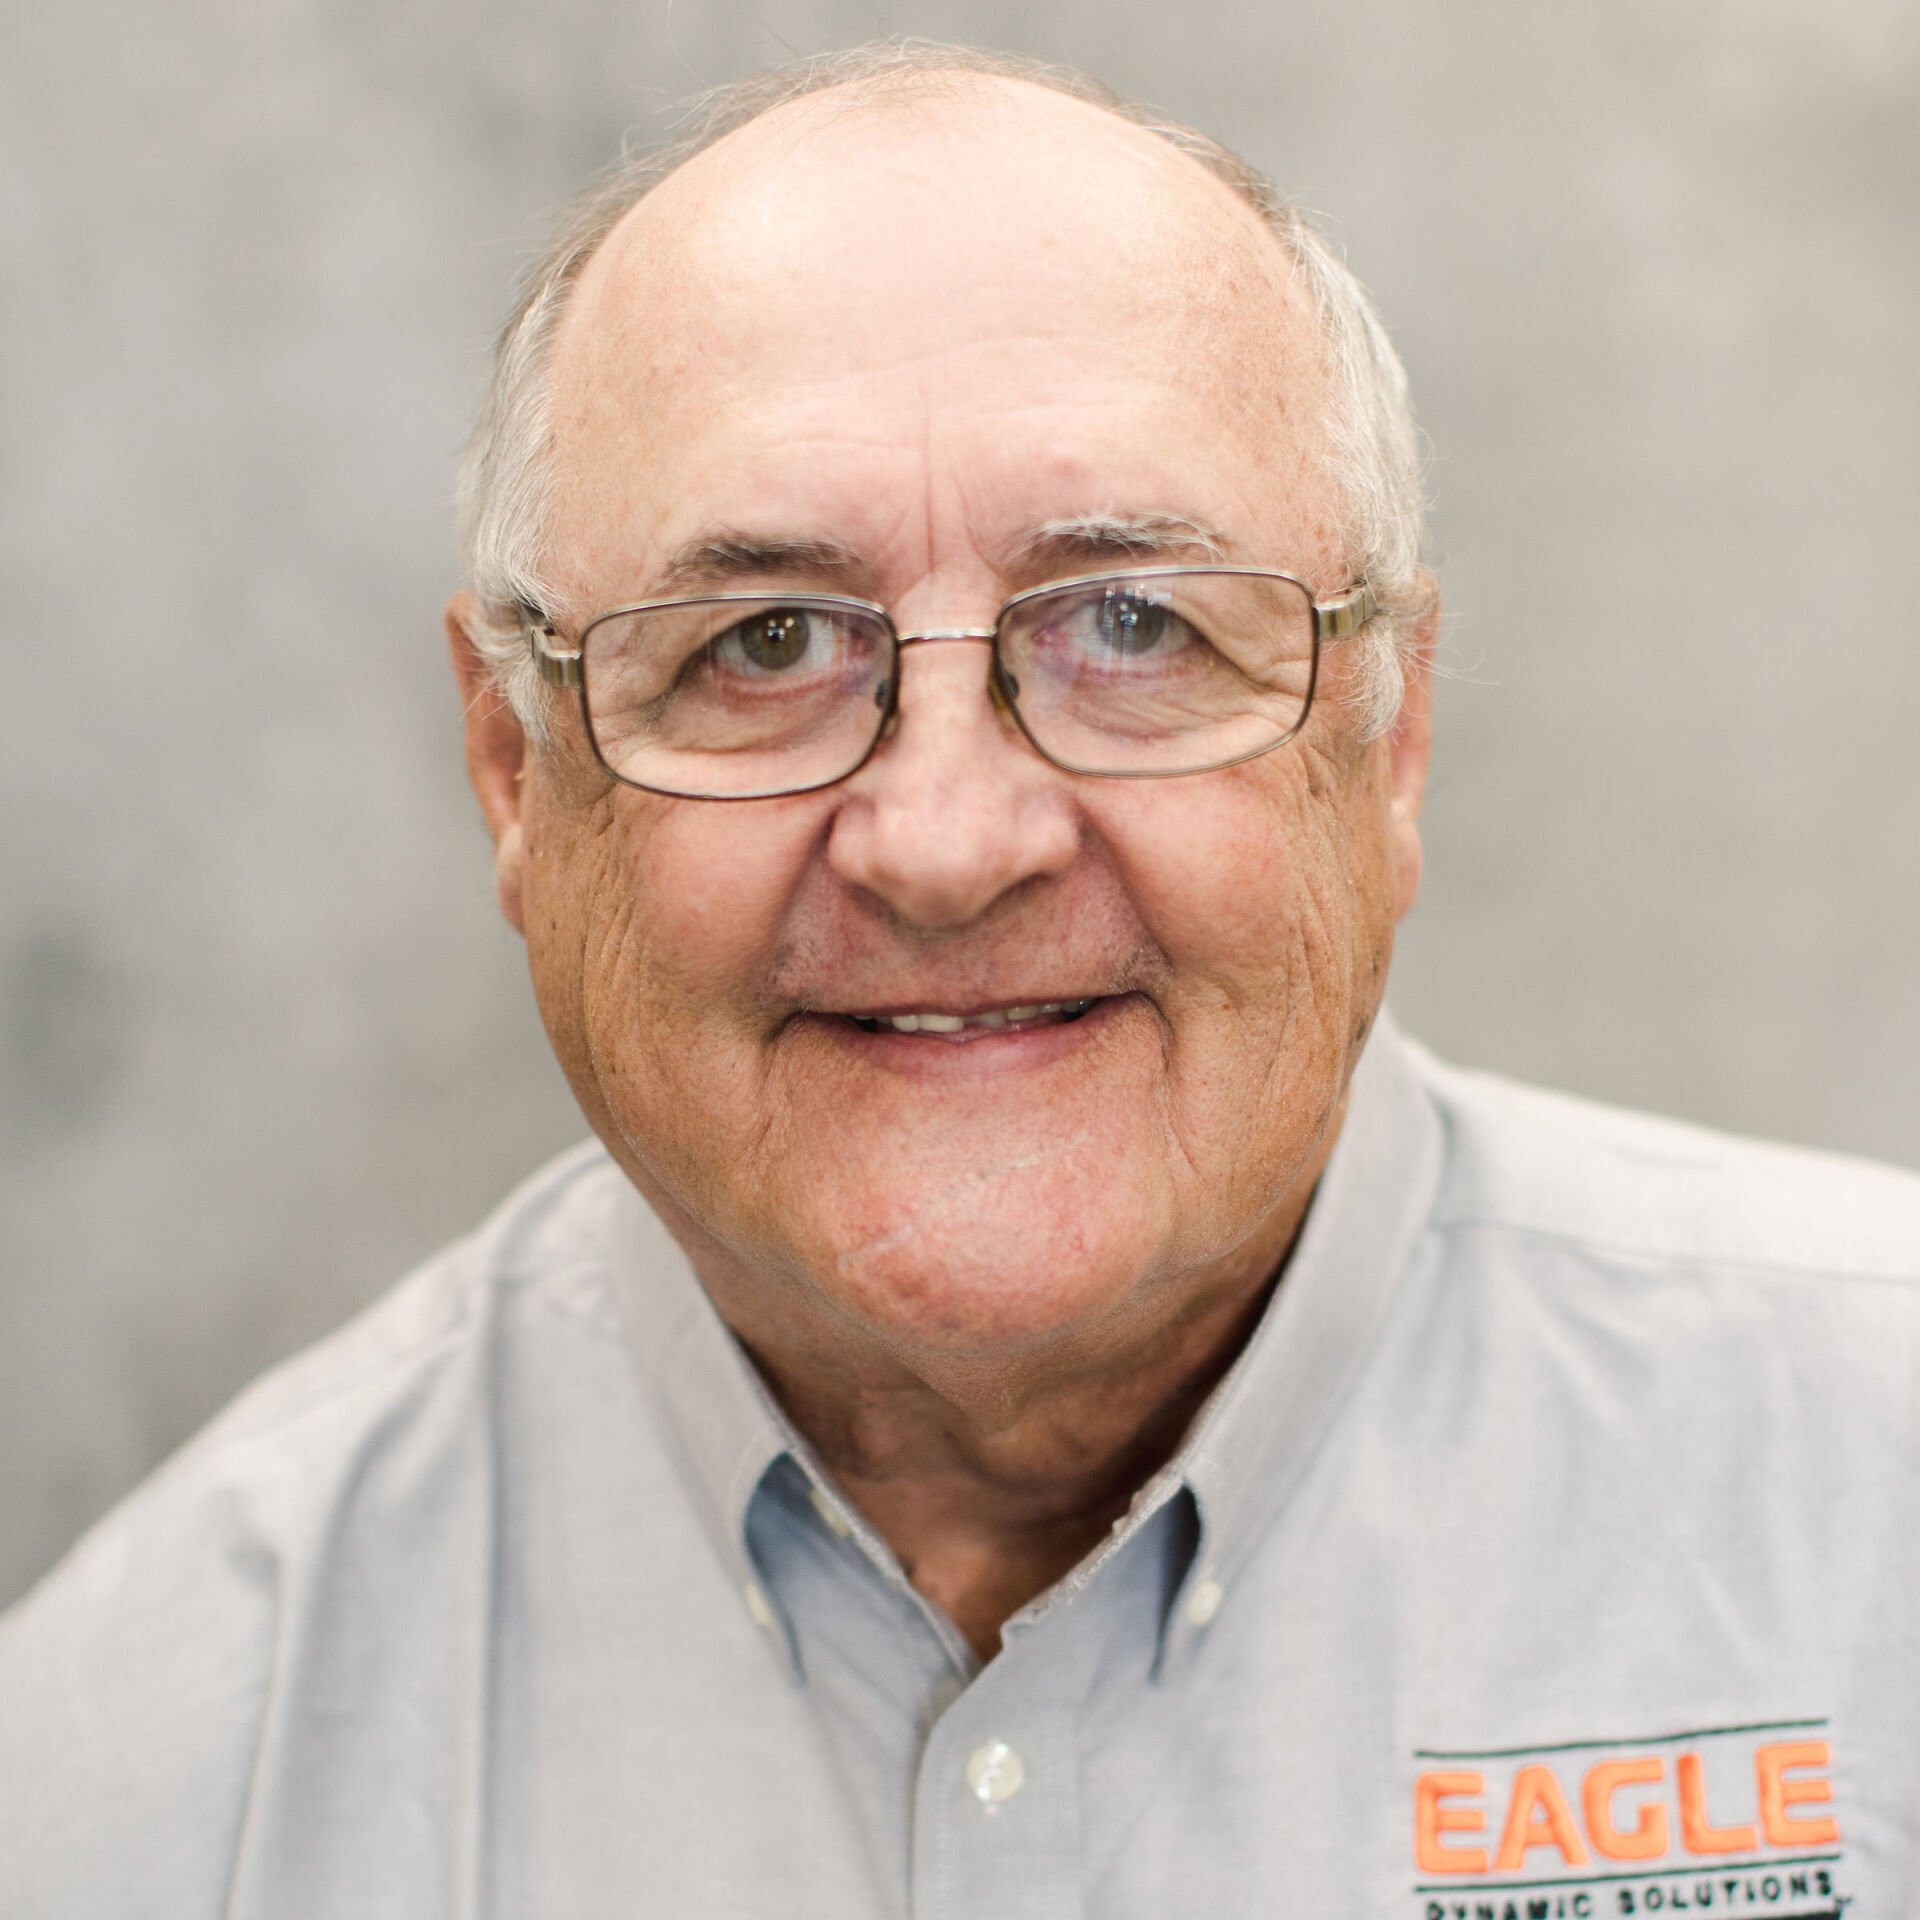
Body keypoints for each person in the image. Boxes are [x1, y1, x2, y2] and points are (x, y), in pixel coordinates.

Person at [4, 42, 1917, 1919]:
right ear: (519, 775)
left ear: (1390, 736)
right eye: (761, 643)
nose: (944, 840)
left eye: (1132, 622)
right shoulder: (152, 1766)